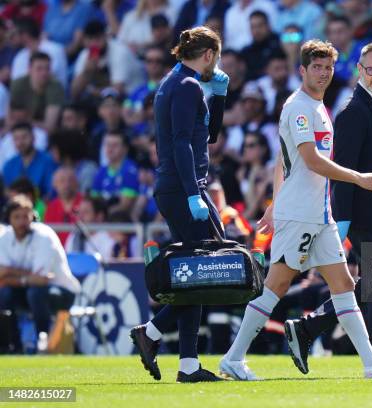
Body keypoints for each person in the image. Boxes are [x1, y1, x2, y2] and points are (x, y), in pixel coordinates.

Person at [219, 40, 372, 380]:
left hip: (318, 213)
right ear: (302, 70)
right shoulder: (299, 107)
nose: (323, 73)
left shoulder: (317, 107)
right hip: (301, 213)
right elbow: (309, 159)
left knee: (343, 285)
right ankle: (233, 358)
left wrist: (273, 203)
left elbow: (284, 160)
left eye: (328, 67)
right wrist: (358, 177)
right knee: (276, 287)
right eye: (317, 67)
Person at [282, 42, 372, 370]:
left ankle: (308, 327)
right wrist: (344, 218)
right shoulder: (353, 112)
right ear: (360, 70)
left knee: (366, 285)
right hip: (364, 212)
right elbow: (342, 168)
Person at [129, 26, 229, 383]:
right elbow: (183, 143)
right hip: (185, 187)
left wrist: (218, 95)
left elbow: (209, 135)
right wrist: (192, 193)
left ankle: (186, 363)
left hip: (181, 186)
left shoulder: (177, 82)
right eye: (214, 59)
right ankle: (153, 334)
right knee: (208, 268)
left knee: (199, 271)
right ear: (208, 56)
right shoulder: (186, 86)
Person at [0, 195, 81, 348]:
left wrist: (10, 272)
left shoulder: (44, 236)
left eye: (26, 216)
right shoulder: (4, 237)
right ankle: (13, 346)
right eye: (16, 217)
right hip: (28, 291)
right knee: (4, 293)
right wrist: (26, 277)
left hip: (63, 293)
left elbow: (42, 280)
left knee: (35, 292)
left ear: (34, 216)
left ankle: (43, 344)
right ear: (8, 219)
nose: (22, 222)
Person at [9, 51, 64, 133]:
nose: (44, 73)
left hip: (43, 133)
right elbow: (9, 120)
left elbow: (50, 126)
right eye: (39, 69)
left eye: (47, 68)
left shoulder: (55, 87)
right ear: (29, 69)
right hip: (20, 130)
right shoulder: (18, 85)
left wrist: (25, 121)